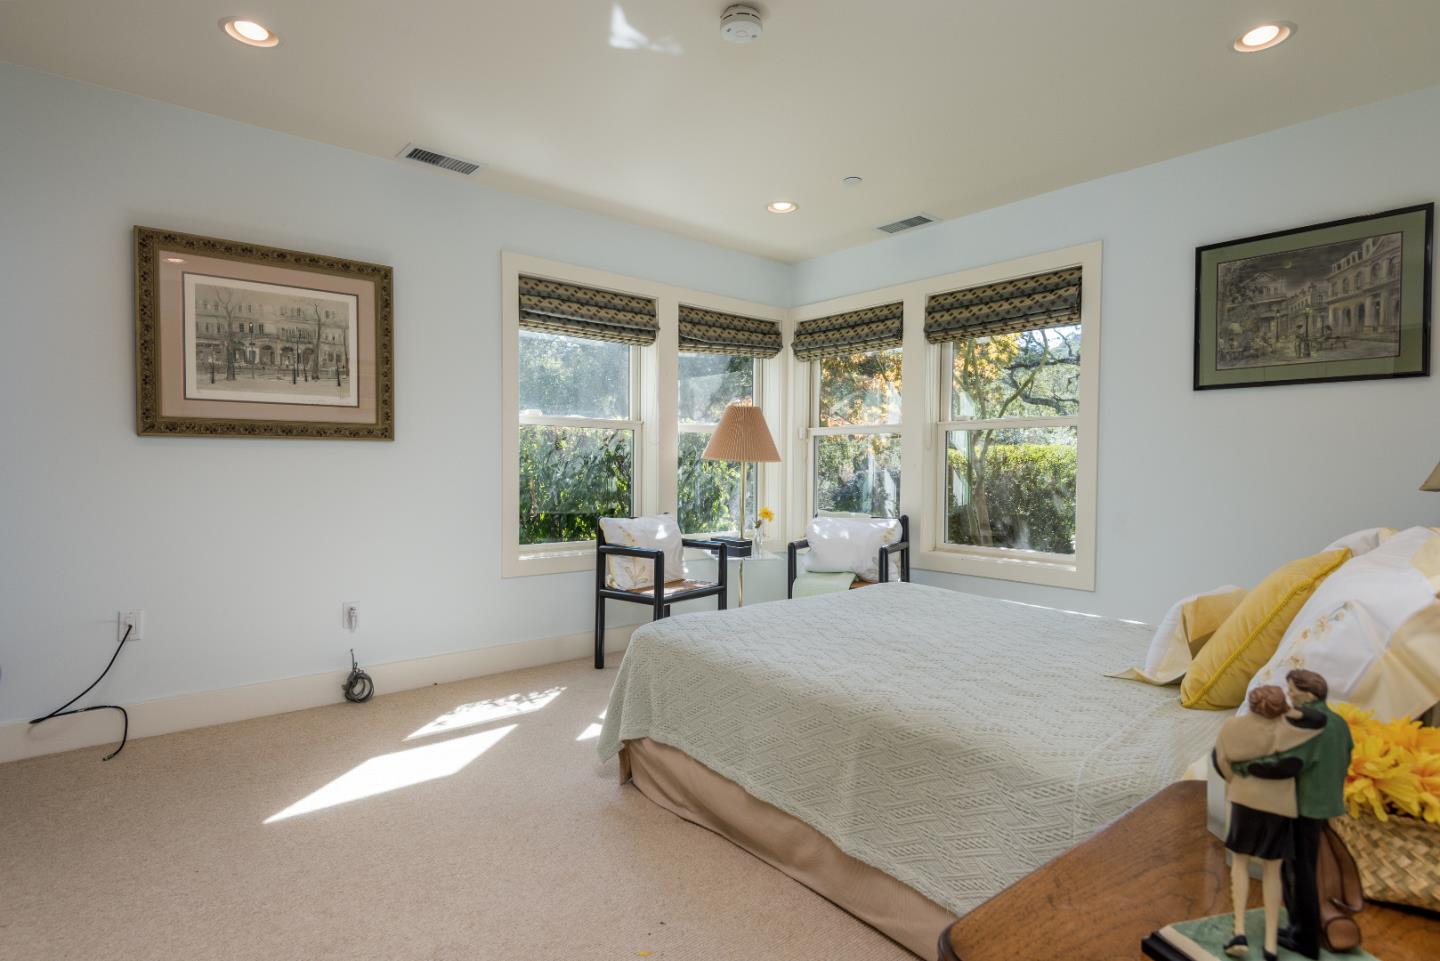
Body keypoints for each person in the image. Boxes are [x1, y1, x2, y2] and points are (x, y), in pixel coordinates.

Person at [1231, 670, 1354, 960]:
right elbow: (1346, 753)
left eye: (1292, 691)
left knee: (1301, 873)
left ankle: (1306, 939)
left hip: (1302, 804)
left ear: (1309, 694)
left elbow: (1287, 763)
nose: (1289, 696)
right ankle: (1299, 929)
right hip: (1323, 802)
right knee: (1301, 868)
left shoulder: (1307, 725)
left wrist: (1247, 767)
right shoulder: (1338, 722)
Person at [1212, 685, 1321, 960]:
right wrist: (1290, 710)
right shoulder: (1290, 732)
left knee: (1240, 862)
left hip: (1244, 799)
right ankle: (1271, 944)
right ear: (1280, 707)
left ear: (1251, 703)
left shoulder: (1231, 728)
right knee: (1274, 870)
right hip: (1279, 806)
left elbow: (1222, 763)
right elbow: (1318, 722)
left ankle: (1239, 931)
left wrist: (1238, 782)